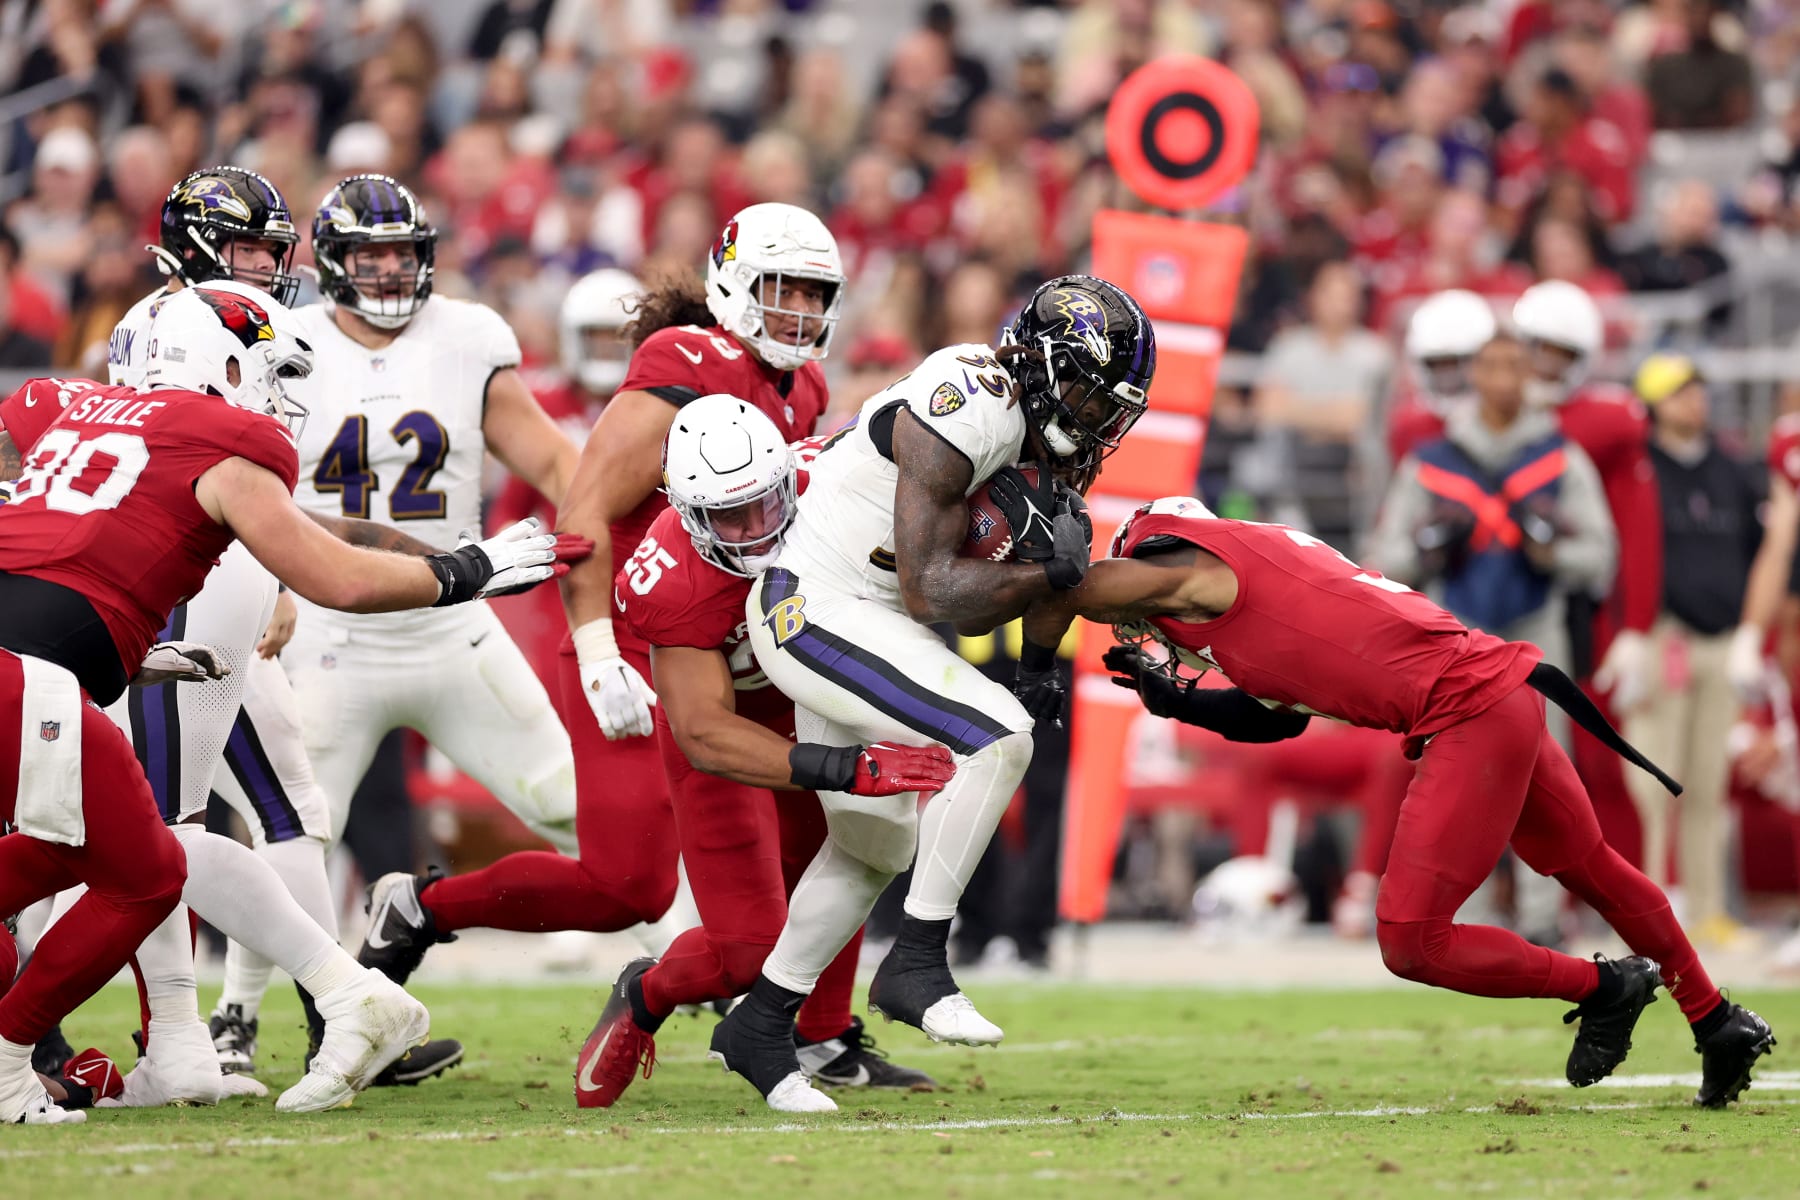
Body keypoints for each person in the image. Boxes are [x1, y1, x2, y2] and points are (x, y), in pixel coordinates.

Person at [0, 281, 568, 1124]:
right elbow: (332, 575)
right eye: (264, 367)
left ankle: (327, 1004)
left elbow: (57, 522)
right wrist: (461, 572)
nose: (275, 393)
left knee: (116, 849)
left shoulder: (65, 407)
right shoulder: (223, 437)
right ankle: (12, 1059)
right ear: (219, 361)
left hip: (35, 669)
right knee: (148, 873)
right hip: (32, 680)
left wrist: (106, 639)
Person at [1014, 496, 1775, 1110]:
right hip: (1495, 691)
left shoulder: (1188, 568)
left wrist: (1031, 639)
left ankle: (1608, 987)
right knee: (1590, 866)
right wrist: (1180, 703)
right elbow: (1274, 715)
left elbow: (1068, 586)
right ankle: (1716, 1019)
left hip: (1470, 711)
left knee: (1413, 940)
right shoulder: (1258, 568)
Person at [353, 204, 843, 985]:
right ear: (736, 284)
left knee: (823, 828)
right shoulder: (690, 359)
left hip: (722, 650)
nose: (800, 311)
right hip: (634, 642)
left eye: (816, 294)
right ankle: (424, 907)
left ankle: (812, 1027)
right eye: (784, 288)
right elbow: (582, 508)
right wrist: (596, 648)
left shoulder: (805, 385)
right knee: (627, 889)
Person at [705, 275, 1155, 1112]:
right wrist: (1044, 574)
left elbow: (1059, 565)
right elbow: (931, 591)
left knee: (875, 846)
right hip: (814, 605)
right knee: (994, 737)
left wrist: (1041, 665)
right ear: (1051, 368)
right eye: (1095, 399)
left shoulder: (1052, 442)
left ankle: (761, 1024)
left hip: (863, 615)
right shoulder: (966, 402)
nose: (1103, 423)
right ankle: (916, 960)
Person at [578, 397, 945, 1110]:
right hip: (731, 732)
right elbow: (703, 731)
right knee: (747, 952)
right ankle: (647, 992)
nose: (753, 530)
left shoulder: (832, 485)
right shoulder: (675, 579)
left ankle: (824, 1040)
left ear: (788, 478)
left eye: (762, 502)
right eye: (727, 516)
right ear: (687, 514)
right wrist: (842, 768)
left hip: (815, 706)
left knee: (860, 852)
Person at [99, 165, 372, 1084]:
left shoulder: (157, 323)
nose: (266, 267)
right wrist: (279, 568)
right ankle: (323, 1018)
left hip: (194, 561)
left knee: (167, 825)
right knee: (271, 809)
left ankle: (187, 1043)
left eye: (271, 249)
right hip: (218, 554)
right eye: (251, 246)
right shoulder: (203, 323)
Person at [1623, 355, 1760, 943]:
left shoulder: (1732, 471)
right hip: (1664, 638)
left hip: (1722, 640)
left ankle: (1707, 910)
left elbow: (1758, 553)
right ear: (1653, 403)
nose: (1692, 402)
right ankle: (1649, 908)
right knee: (1656, 778)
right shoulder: (1640, 470)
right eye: (1678, 393)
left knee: (1708, 782)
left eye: (1697, 391)